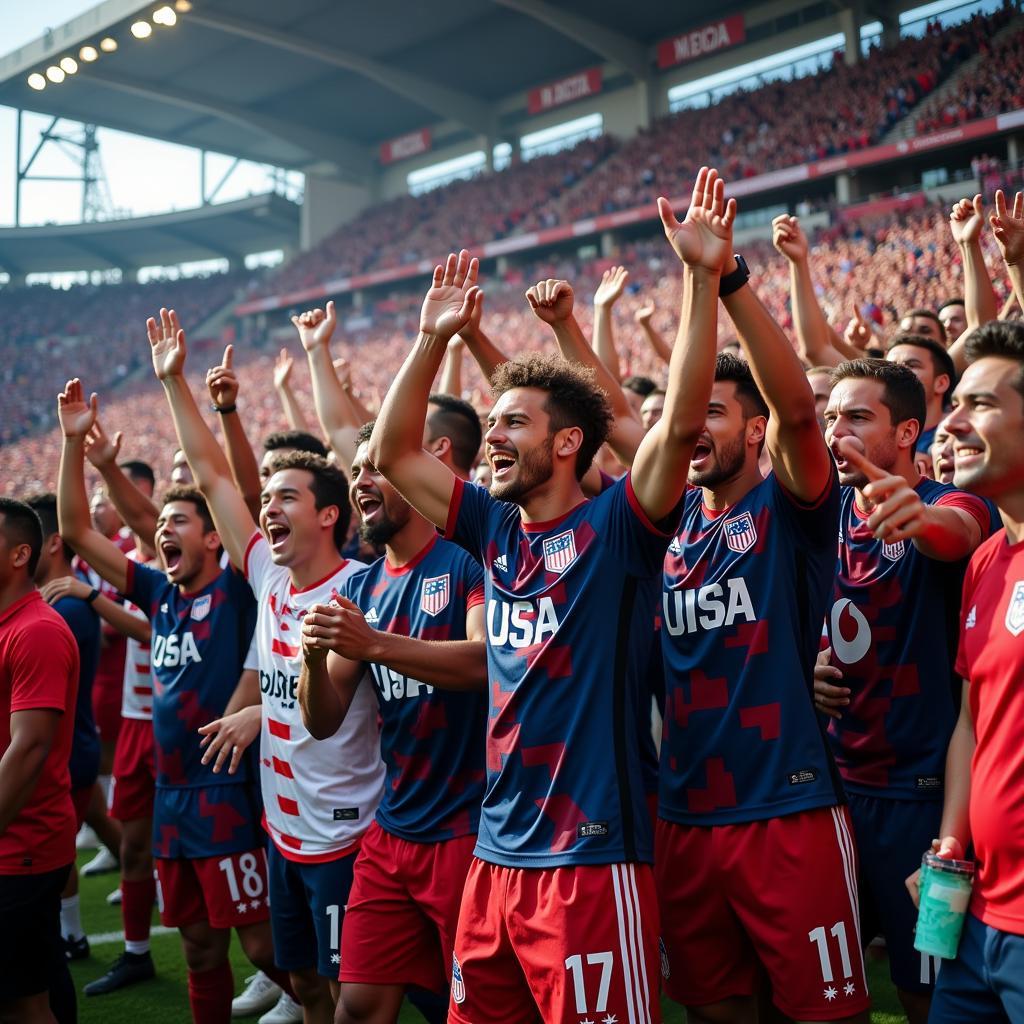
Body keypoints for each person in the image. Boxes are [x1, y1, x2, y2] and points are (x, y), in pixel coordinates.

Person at [368, 164, 732, 1024]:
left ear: (568, 443)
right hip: (496, 853)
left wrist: (700, 278)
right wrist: (431, 341)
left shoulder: (618, 527)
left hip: (593, 854)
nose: (492, 437)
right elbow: (391, 454)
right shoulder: (494, 531)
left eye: (514, 424)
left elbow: (678, 424)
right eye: (491, 423)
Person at [150, 309, 383, 1024]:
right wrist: (176, 385)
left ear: (329, 517)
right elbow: (217, 478)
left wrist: (266, 708)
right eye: (266, 500)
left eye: (286, 497)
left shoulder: (361, 591)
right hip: (282, 834)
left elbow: (326, 708)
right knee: (307, 988)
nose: (266, 509)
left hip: (345, 837)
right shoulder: (271, 579)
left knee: (353, 1002)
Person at [657, 233, 866, 1023]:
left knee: (825, 1015)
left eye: (714, 410)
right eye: (689, 411)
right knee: (716, 1010)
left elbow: (801, 411)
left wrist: (727, 280)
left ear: (754, 431)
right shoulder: (660, 521)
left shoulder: (790, 508)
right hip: (685, 813)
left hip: (789, 811)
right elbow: (614, 417)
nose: (692, 426)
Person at [56, 377, 288, 1024]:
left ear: (215, 539)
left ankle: (321, 1003)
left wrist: (196, 394)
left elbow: (228, 488)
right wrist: (75, 444)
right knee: (198, 947)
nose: (161, 530)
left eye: (177, 521)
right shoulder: (161, 596)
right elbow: (76, 528)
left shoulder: (241, 592)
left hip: (228, 792)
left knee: (265, 944)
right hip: (172, 794)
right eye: (160, 525)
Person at [299, 421, 488, 1024]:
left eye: (375, 467)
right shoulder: (362, 584)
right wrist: (312, 659)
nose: (361, 481)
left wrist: (375, 644)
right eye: (356, 471)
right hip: (393, 829)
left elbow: (487, 663)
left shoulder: (469, 560)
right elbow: (323, 719)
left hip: (472, 828)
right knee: (355, 1007)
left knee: (474, 1008)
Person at [817, 359, 988, 1023]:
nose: (838, 432)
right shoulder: (818, 512)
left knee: (931, 993)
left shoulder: (951, 502)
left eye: (858, 417)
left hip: (926, 805)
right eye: (833, 416)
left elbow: (959, 536)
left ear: (909, 430)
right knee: (817, 985)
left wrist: (912, 513)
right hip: (830, 795)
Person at [907, 319, 1024, 1023]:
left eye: (978, 403)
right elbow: (972, 720)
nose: (951, 421)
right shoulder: (987, 562)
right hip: (974, 912)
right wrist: (951, 838)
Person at [0, 497, 79, 1024]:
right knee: (40, 984)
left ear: (19, 554)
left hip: (20, 846)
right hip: (16, 842)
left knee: (21, 1003)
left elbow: (28, 749)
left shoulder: (37, 631)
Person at [25, 493, 102, 964]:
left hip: (66, 751)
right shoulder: (51, 606)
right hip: (74, 746)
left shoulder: (64, 611)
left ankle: (69, 935)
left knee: (54, 851)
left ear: (51, 543)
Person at [885, 335, 956, 452]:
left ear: (941, 383)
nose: (896, 371)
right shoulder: (873, 436)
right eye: (890, 366)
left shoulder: (958, 436)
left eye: (912, 365)